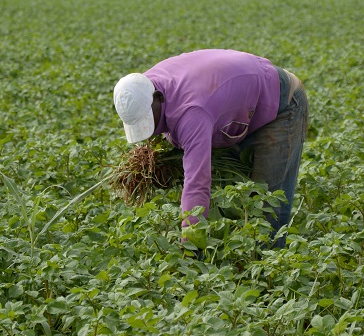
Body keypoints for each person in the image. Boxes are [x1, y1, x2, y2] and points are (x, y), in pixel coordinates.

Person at [113, 49, 308, 248]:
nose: (150, 129)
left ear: (158, 98)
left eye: (148, 119)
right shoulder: (143, 86)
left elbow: (197, 184)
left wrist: (191, 245)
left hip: (282, 104)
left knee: (268, 203)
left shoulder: (192, 113)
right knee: (232, 199)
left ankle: (270, 266)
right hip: (237, 100)